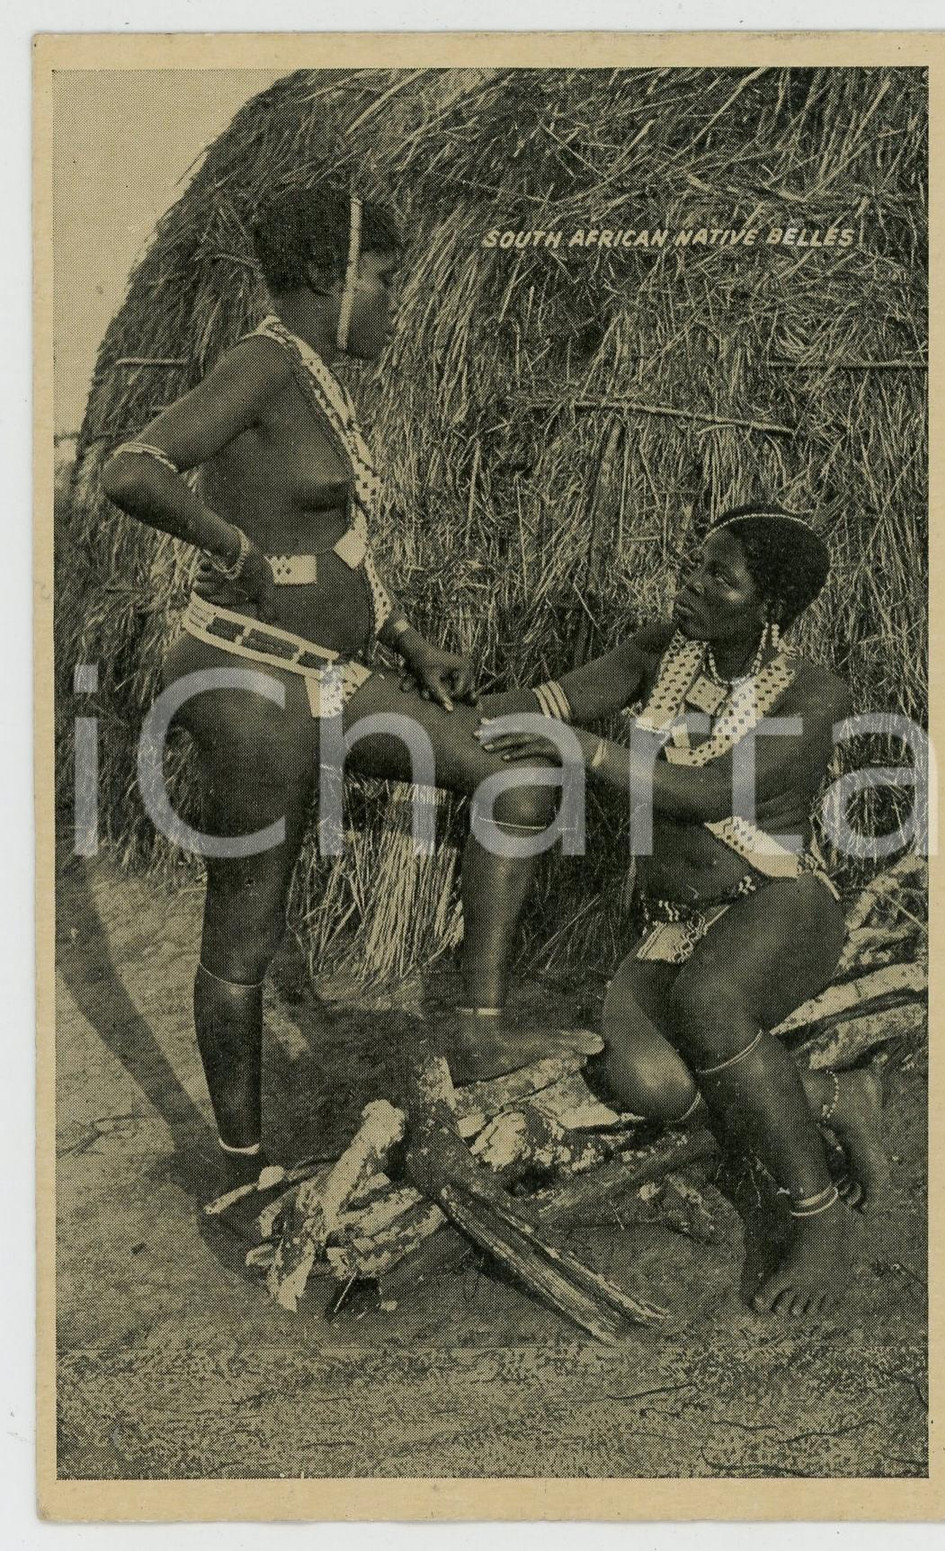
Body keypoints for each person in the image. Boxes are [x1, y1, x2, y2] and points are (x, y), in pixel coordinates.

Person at [101, 180, 600, 1197]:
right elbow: (132, 468)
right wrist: (236, 549)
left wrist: (409, 639)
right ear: (329, 280)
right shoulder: (256, 367)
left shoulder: (313, 375)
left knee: (516, 778)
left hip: (330, 675)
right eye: (382, 282)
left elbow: (335, 541)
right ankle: (242, 1168)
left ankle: (478, 1030)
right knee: (245, 928)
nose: (392, 302)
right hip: (244, 676)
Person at [477, 507, 888, 1318]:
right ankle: (836, 1098)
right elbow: (547, 699)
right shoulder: (658, 652)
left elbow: (706, 793)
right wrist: (450, 703)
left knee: (708, 1001)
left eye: (720, 577)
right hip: (674, 922)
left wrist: (588, 751)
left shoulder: (814, 693)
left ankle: (818, 1216)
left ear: (769, 606)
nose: (693, 584)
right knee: (649, 1082)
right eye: (695, 564)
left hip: (778, 903)